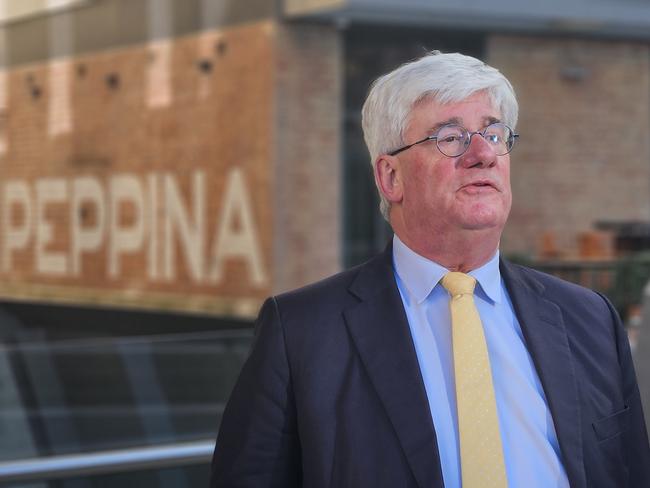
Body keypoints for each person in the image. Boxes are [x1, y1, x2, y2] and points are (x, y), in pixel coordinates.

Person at [210, 51, 650, 488]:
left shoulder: (588, 318)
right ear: (390, 178)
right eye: (450, 137)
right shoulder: (302, 334)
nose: (483, 154)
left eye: (494, 134)